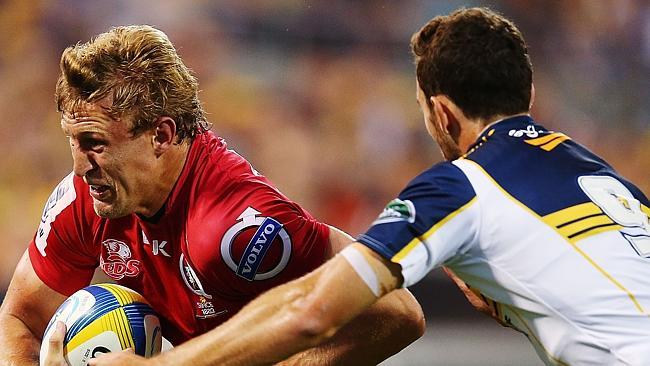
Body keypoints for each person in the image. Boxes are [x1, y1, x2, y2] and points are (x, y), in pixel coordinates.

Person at [91, 7, 650, 366]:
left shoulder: (459, 188)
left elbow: (314, 309)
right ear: (526, 89)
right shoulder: (609, 180)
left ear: (442, 114)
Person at [0, 25, 426, 366]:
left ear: (161, 135)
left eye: (96, 143)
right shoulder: (84, 200)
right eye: (74, 142)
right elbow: (22, 317)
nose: (79, 167)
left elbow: (397, 313)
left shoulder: (236, 226)